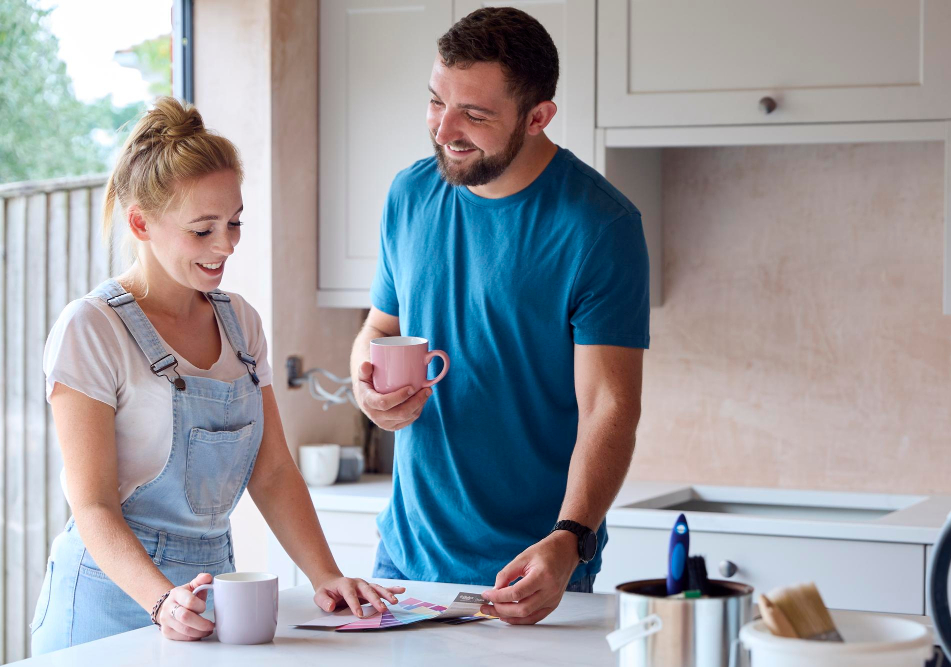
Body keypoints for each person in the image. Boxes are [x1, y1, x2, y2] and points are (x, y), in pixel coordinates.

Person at [30, 97, 403, 654]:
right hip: (108, 604)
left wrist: (327, 575)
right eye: (202, 230)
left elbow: (273, 471)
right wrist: (160, 600)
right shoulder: (91, 328)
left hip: (207, 596)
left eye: (233, 223)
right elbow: (93, 506)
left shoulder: (241, 323)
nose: (226, 245)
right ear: (140, 223)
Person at [350, 7, 649, 625]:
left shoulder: (599, 227)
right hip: (402, 565)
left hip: (530, 574)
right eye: (436, 102)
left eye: (475, 115)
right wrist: (366, 385)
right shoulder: (409, 194)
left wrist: (572, 539)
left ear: (538, 117)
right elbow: (380, 328)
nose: (444, 130)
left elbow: (609, 406)